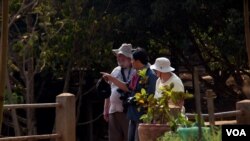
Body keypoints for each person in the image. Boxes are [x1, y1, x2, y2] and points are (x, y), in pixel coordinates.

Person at [101, 47, 157, 141]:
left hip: (142, 116)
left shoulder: (150, 75)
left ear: (138, 61)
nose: (131, 62)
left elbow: (151, 98)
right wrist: (111, 78)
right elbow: (127, 87)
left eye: (132, 59)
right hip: (132, 114)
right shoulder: (137, 74)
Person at [103, 43, 136, 141]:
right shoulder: (115, 70)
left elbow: (130, 88)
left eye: (122, 56)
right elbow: (108, 90)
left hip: (128, 111)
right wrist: (105, 109)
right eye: (118, 55)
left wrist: (112, 79)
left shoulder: (135, 71)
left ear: (129, 57)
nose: (119, 58)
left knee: (129, 137)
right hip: (113, 110)